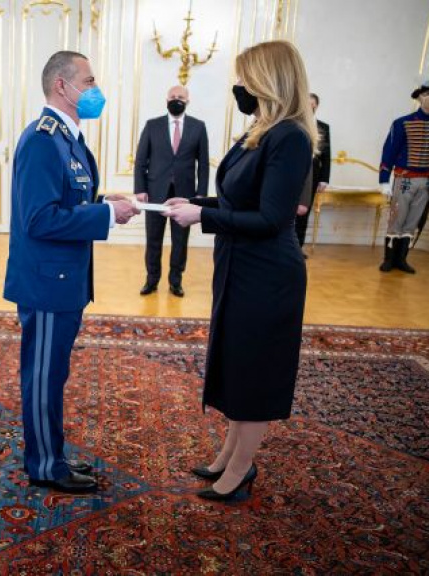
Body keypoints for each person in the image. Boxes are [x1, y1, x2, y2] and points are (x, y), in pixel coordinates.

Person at [164, 40, 315, 501]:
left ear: (269, 80)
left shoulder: (290, 137)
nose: (239, 86)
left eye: (245, 78)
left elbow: (271, 218)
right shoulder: (260, 131)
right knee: (236, 363)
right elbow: (239, 199)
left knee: (254, 372)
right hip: (239, 265)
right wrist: (197, 202)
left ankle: (240, 470)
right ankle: (229, 456)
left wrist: (203, 217)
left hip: (267, 273)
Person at [3, 51, 139, 493]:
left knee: (53, 373)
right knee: (43, 377)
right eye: (90, 80)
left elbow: (67, 200)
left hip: (63, 281)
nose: (96, 89)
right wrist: (106, 216)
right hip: (47, 284)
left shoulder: (67, 138)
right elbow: (39, 219)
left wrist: (105, 203)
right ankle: (45, 466)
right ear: (62, 85)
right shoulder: (43, 140)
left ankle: (52, 453)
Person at [134, 85, 209, 297]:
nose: (177, 100)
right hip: (155, 191)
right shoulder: (152, 125)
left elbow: (203, 164)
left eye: (181, 97)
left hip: (185, 194)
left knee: (180, 240)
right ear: (166, 100)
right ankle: (151, 280)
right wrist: (140, 189)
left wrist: (201, 194)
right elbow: (141, 160)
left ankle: (176, 281)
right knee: (153, 238)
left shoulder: (198, 127)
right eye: (173, 96)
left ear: (188, 101)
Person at [377, 75, 429, 274]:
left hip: (427, 180)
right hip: (405, 178)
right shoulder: (403, 123)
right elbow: (389, 151)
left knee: (413, 221)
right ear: (420, 97)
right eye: (428, 93)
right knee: (397, 219)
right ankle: (389, 259)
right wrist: (384, 180)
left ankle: (401, 259)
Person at [295, 93, 330, 252]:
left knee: (304, 211)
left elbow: (326, 156)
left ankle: (298, 248)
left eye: (311, 104)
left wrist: (324, 179)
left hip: (313, 174)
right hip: (292, 171)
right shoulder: (294, 124)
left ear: (316, 106)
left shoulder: (323, 127)